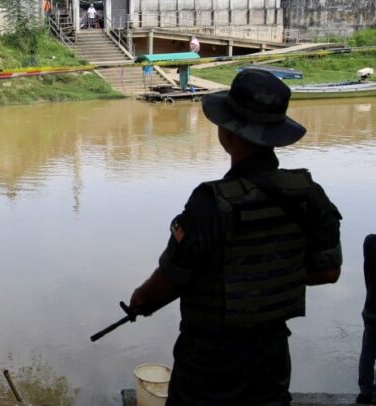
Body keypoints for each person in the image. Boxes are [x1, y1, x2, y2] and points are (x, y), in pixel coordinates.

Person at [129, 69, 342, 406]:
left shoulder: (210, 202)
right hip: (270, 360)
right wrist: (267, 278)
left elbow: (171, 280)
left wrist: (140, 301)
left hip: (207, 364)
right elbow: (328, 271)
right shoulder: (309, 195)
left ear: (228, 132)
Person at [359, 234, 376, 404]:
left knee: (368, 351)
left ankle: (365, 391)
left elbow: (370, 239)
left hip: (371, 310)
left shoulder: (371, 245)